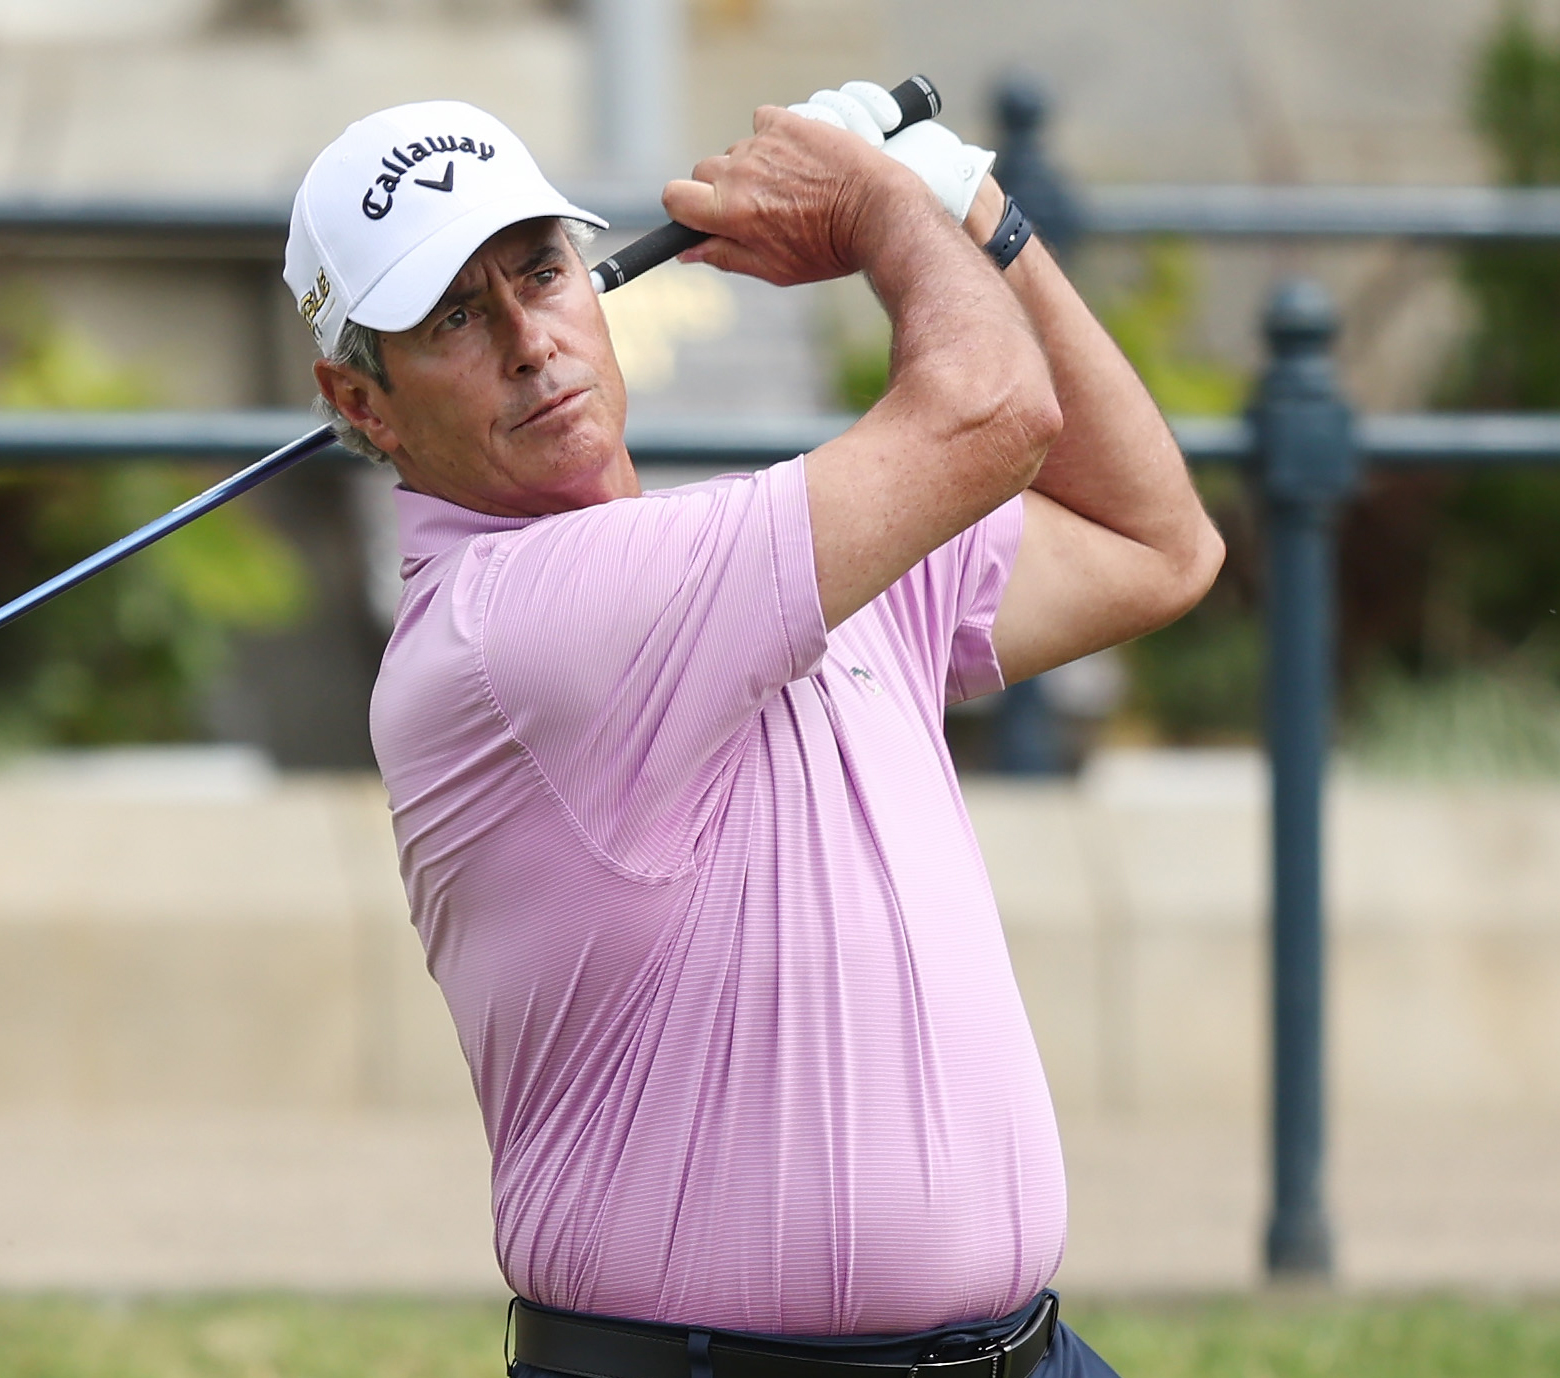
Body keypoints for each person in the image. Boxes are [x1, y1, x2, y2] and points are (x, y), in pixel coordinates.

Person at [282, 85, 1222, 1378]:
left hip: (1024, 1353)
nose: (528, 338)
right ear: (364, 402)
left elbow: (1152, 542)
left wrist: (976, 212)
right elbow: (990, 412)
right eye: (453, 315)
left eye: (541, 271)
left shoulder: (769, 553)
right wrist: (878, 204)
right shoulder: (505, 630)